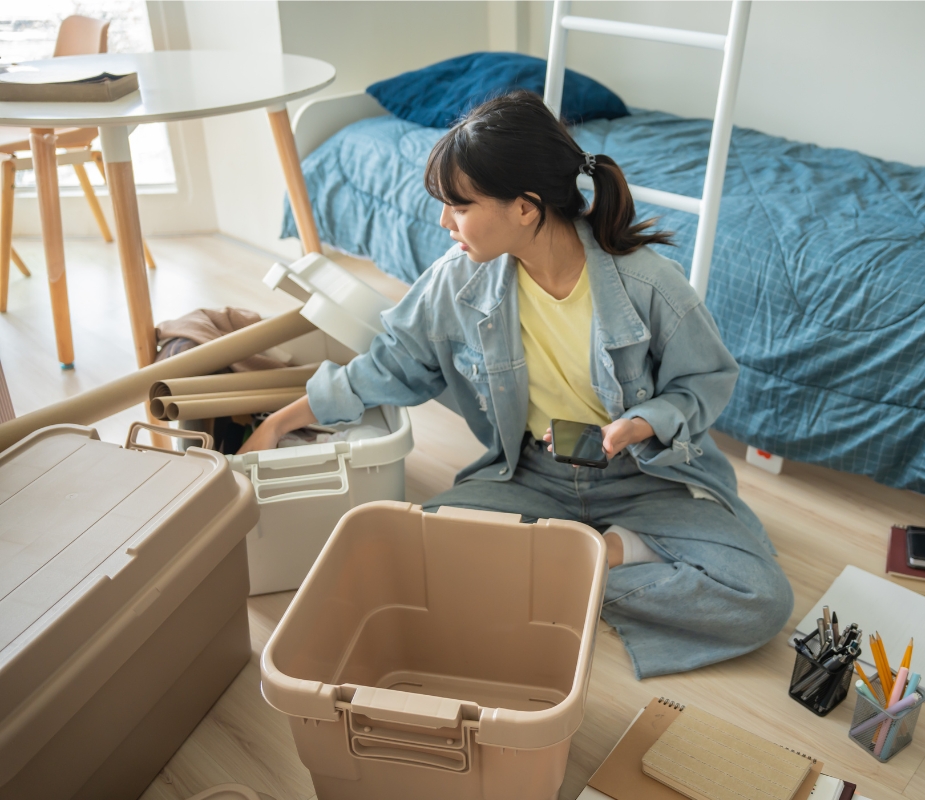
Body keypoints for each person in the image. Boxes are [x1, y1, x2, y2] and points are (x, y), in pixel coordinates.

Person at [239, 90, 793, 678]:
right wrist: (279, 422)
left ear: (526, 208)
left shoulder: (650, 285)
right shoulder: (457, 281)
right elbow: (391, 364)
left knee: (762, 599)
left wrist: (642, 423)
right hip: (530, 474)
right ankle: (577, 562)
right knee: (413, 554)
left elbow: (703, 385)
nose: (444, 221)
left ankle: (607, 551)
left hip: (643, 477)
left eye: (460, 205)